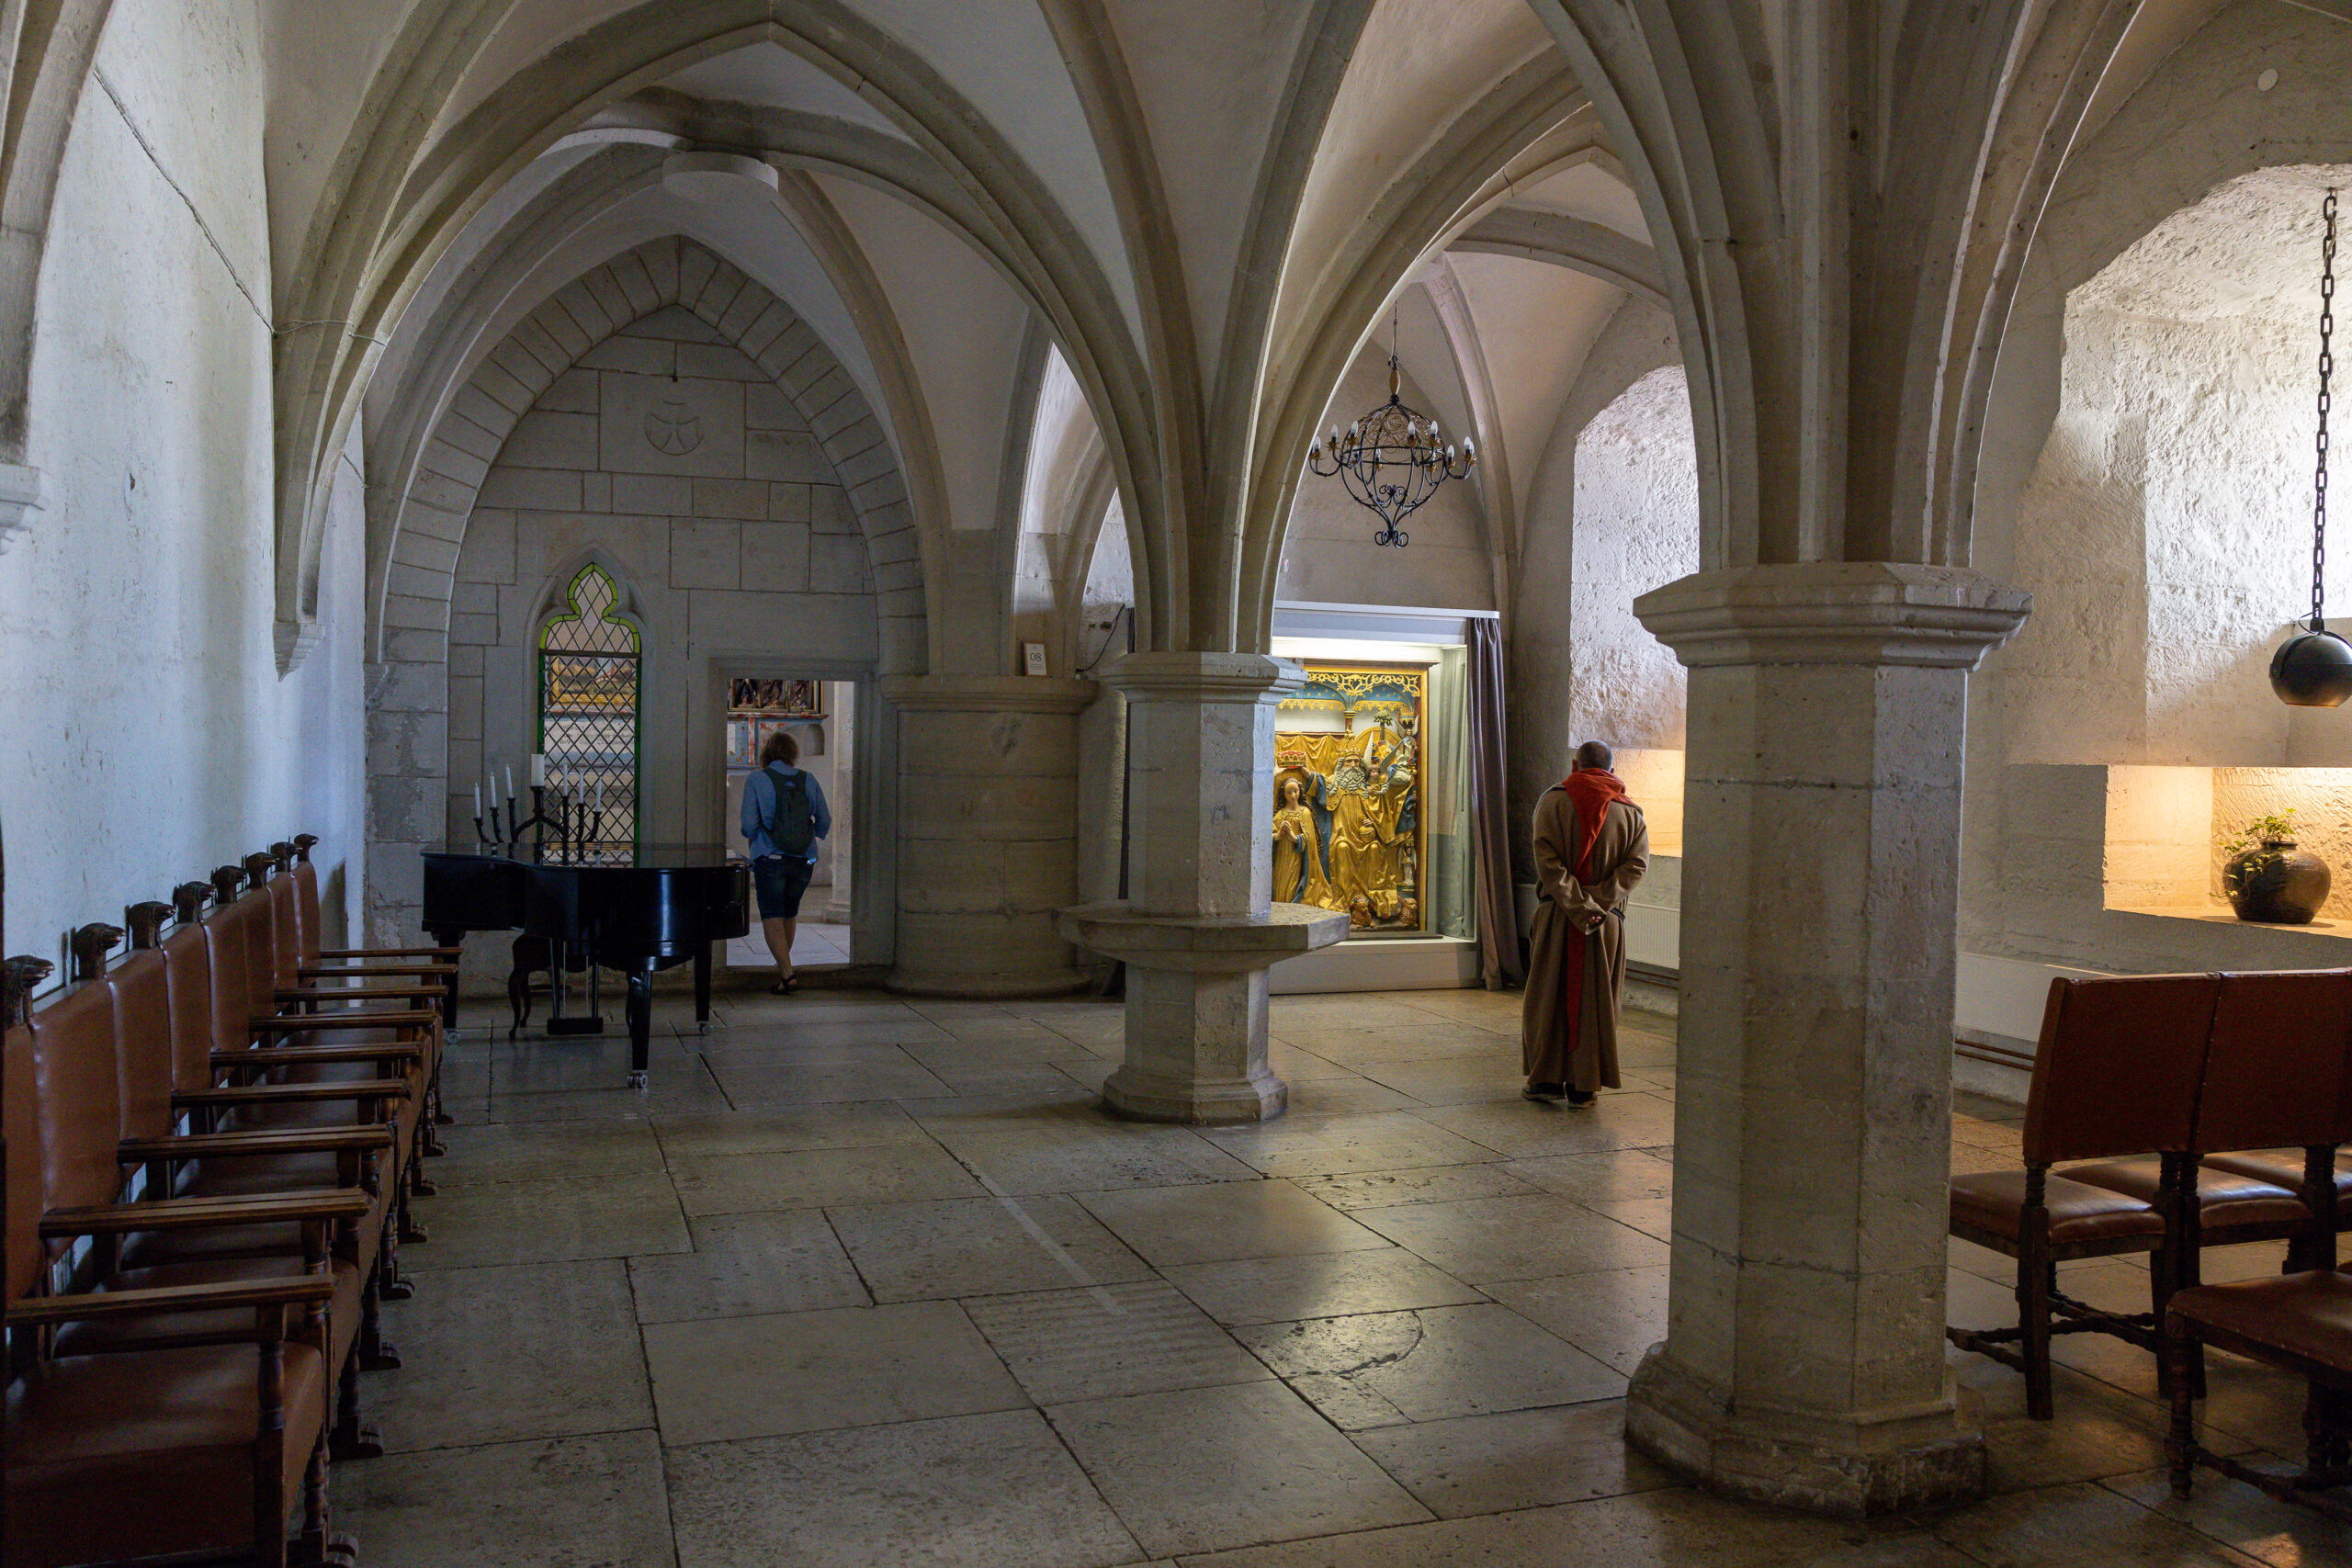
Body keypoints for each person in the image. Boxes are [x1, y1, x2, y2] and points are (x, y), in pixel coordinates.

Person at [1522, 740, 1648, 1106]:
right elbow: (1636, 866)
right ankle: (1584, 1085)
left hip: (1558, 915)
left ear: (1575, 764)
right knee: (1598, 1001)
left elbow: (1546, 860)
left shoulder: (1551, 802)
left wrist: (1577, 904)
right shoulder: (1630, 813)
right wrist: (1597, 902)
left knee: (1548, 996)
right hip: (1604, 921)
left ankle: (1545, 1080)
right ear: (1612, 770)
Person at [741, 729, 831, 995]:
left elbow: (748, 824)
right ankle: (784, 972)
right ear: (793, 753)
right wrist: (808, 837)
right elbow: (824, 820)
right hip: (803, 859)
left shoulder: (757, 779)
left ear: (766, 753)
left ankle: (788, 974)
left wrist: (755, 838)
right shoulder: (808, 779)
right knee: (790, 912)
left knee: (772, 914)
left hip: (770, 858)